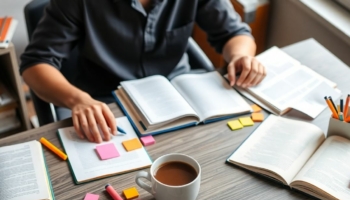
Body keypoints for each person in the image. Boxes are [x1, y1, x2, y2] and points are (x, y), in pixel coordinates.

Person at [20, 0, 266, 143]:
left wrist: (241, 56)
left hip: (179, 95)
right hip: (107, 101)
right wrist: (78, 100)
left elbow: (235, 33)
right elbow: (35, 64)